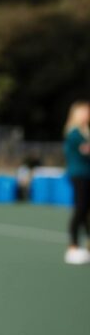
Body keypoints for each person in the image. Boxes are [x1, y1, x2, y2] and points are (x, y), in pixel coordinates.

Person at [63, 100, 90, 264]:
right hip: (79, 175)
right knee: (80, 209)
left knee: (86, 210)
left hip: (87, 175)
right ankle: (72, 247)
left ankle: (86, 247)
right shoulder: (74, 133)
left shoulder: (85, 131)